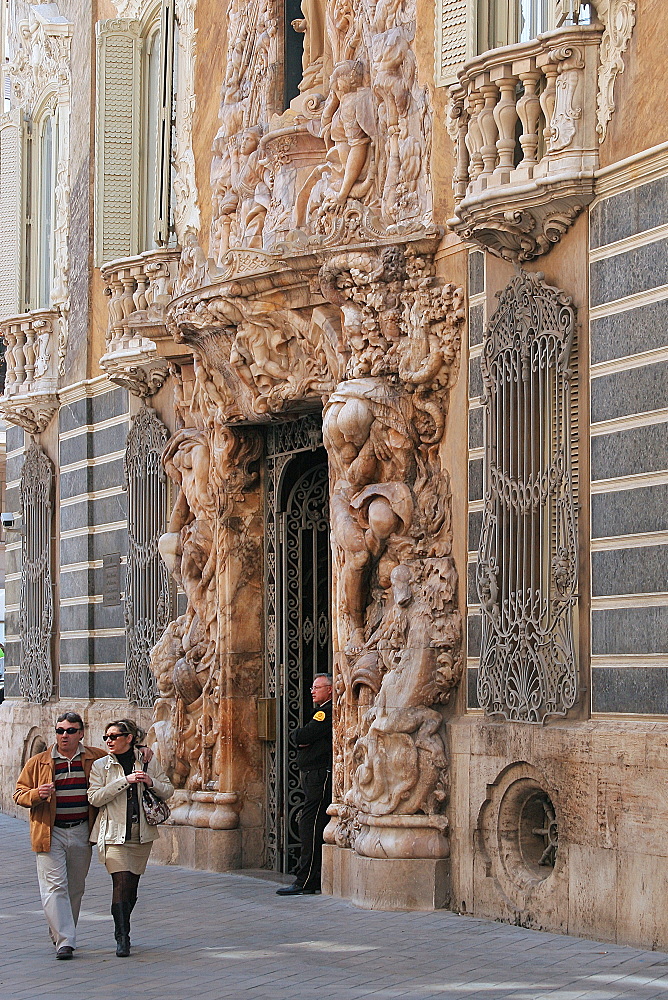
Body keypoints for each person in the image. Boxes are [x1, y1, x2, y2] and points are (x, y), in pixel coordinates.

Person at [13, 711, 107, 959]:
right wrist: (36, 794)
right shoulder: (39, 762)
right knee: (55, 887)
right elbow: (19, 794)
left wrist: (144, 752)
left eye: (70, 731)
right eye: (59, 731)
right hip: (50, 832)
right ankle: (66, 941)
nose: (64, 736)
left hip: (81, 831)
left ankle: (62, 931)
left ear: (81, 733)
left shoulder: (95, 758)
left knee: (75, 888)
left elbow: (121, 760)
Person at [88, 719, 173, 957]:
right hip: (113, 834)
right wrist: (124, 782)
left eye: (114, 736)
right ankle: (122, 937)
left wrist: (150, 781)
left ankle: (123, 925)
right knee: (121, 882)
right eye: (106, 737)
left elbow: (168, 790)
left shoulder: (146, 761)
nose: (109, 741)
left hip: (140, 834)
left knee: (131, 888)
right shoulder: (101, 766)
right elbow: (95, 797)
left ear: (129, 738)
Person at [277, 673, 333, 896]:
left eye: (317, 687)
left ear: (330, 689)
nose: (312, 690)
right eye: (312, 687)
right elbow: (300, 737)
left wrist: (301, 737)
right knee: (311, 824)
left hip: (320, 775)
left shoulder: (325, 712)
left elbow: (302, 735)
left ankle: (306, 880)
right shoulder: (321, 711)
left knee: (311, 825)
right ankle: (309, 878)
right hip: (314, 774)